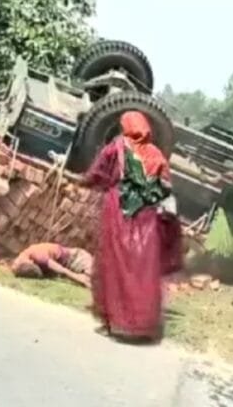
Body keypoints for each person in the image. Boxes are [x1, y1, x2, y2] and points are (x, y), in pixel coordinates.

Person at [80, 110, 183, 343]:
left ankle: (115, 323)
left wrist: (82, 180)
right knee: (142, 271)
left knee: (114, 267)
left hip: (119, 214)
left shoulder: (117, 147)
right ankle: (142, 327)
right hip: (147, 218)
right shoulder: (156, 154)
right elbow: (166, 187)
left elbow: (97, 174)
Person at [10, 242, 93, 288]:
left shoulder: (40, 256)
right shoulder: (20, 260)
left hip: (76, 258)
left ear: (31, 261)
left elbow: (62, 271)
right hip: (66, 263)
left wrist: (80, 280)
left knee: (93, 278)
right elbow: (15, 267)